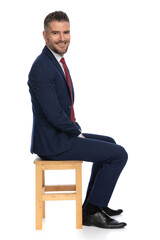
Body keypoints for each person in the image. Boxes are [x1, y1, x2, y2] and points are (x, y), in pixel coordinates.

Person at [28, 11, 128, 229]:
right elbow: (54, 114)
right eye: (55, 33)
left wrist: (75, 130)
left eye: (66, 32)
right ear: (45, 36)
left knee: (110, 143)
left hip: (58, 135)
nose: (62, 38)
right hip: (53, 143)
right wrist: (76, 132)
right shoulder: (41, 68)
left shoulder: (55, 61)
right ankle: (92, 211)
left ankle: (94, 205)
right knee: (119, 154)